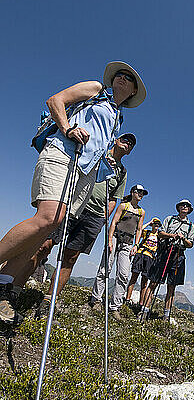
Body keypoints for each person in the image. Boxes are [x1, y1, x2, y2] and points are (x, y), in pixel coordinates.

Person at [0, 61, 146, 325]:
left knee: (48, 227)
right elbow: (56, 100)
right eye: (120, 75)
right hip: (64, 153)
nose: (122, 78)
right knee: (48, 218)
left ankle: (3, 285)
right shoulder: (96, 89)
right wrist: (68, 128)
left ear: (134, 91)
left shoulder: (117, 118)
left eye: (129, 78)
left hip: (85, 172)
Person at [33, 133, 136, 317]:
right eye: (125, 139)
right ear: (115, 140)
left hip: (94, 216)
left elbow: (114, 197)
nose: (127, 143)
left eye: (131, 144)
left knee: (71, 256)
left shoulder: (122, 172)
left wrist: (104, 217)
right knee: (45, 245)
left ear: (130, 151)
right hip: (74, 203)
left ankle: (49, 300)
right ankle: (13, 287)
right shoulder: (100, 152)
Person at [90, 184, 147, 321]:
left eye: (142, 193)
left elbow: (139, 230)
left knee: (123, 273)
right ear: (133, 192)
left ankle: (114, 306)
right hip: (116, 238)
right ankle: (96, 299)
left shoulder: (141, 212)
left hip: (128, 243)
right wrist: (109, 240)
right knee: (105, 269)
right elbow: (114, 222)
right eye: (139, 192)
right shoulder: (123, 206)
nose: (140, 194)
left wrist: (136, 245)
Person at [141, 200, 194, 321]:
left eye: (187, 206)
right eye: (182, 205)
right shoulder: (169, 219)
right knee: (153, 282)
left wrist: (184, 239)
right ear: (179, 208)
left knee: (171, 286)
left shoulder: (191, 226)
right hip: (165, 252)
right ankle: (144, 311)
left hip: (178, 256)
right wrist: (173, 236)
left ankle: (166, 315)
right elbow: (160, 233)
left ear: (189, 210)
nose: (185, 207)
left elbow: (191, 244)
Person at [125, 217, 162, 311]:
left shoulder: (159, 236)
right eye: (155, 224)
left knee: (144, 282)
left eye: (158, 225)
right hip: (140, 255)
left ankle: (141, 304)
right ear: (152, 225)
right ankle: (127, 299)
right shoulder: (147, 232)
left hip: (150, 258)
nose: (156, 226)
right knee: (134, 277)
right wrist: (149, 222)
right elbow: (139, 228)